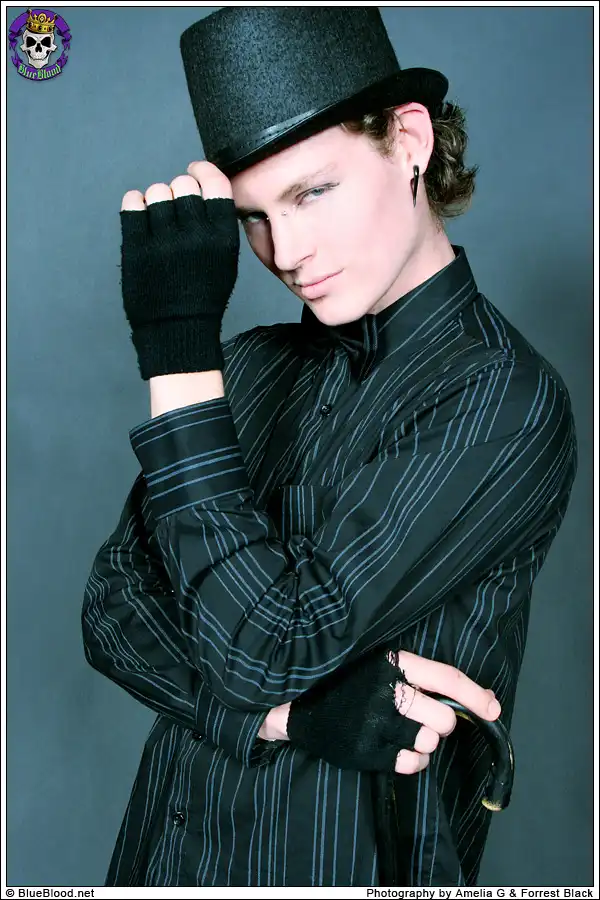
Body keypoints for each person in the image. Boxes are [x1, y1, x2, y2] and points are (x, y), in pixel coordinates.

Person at [81, 7, 577, 888]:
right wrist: (293, 718)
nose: (286, 252)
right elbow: (111, 609)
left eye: (312, 193)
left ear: (409, 141)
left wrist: (176, 348)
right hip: (160, 857)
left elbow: (265, 647)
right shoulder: (249, 366)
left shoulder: (502, 396)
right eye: (252, 217)